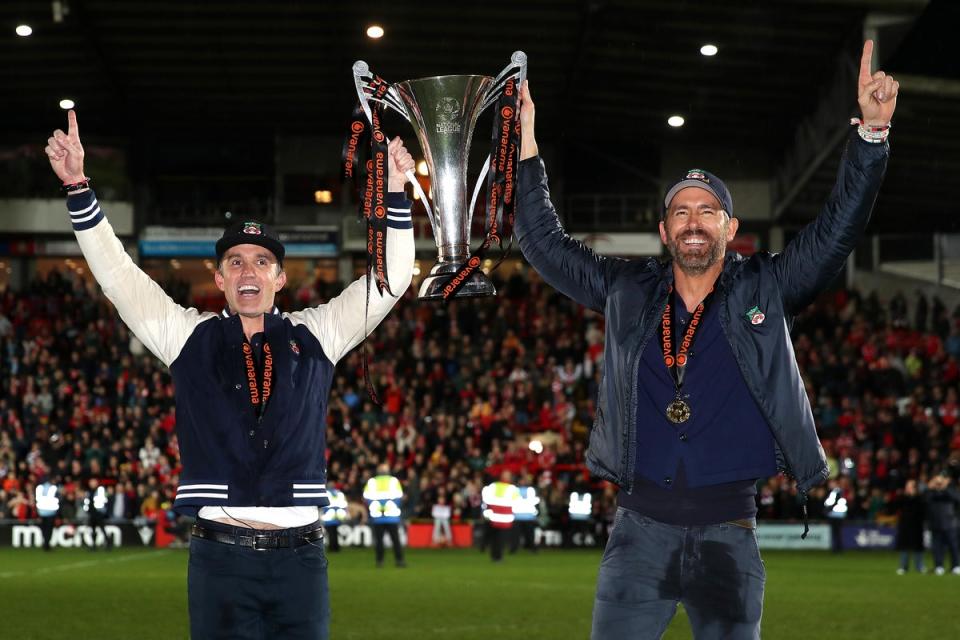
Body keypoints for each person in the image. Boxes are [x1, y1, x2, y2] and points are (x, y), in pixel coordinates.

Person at [515, 40, 897, 639]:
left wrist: (871, 139)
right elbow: (544, 243)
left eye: (709, 210)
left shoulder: (768, 287)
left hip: (730, 540)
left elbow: (835, 234)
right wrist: (527, 144)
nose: (695, 221)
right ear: (665, 230)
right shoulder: (626, 290)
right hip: (638, 536)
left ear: (731, 227)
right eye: (682, 212)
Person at [45, 111, 415, 639]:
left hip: (302, 563)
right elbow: (119, 277)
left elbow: (391, 279)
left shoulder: (319, 333)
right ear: (218, 279)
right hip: (220, 561)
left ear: (281, 278)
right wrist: (80, 187)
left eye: (262, 261)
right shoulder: (184, 336)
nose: (249, 270)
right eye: (236, 261)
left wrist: (396, 194)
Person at [363, 464, 407, 568]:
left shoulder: (372, 482)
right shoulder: (393, 481)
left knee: (379, 541)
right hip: (392, 516)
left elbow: (366, 498)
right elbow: (399, 498)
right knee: (395, 540)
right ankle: (399, 560)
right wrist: (389, 506)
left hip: (377, 516)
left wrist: (377, 507)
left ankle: (380, 561)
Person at [925, 473, 960, 575]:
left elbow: (957, 498)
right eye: (937, 481)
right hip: (936, 524)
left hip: (950, 524)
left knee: (953, 547)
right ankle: (939, 566)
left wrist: (945, 487)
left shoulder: (951, 490)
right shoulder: (932, 492)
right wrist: (930, 487)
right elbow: (926, 499)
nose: (939, 483)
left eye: (941, 481)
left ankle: (956, 566)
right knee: (937, 547)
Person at [481, 470, 519, 562]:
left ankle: (495, 556)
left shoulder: (494, 486)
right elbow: (516, 502)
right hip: (503, 518)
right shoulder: (512, 488)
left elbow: (486, 499)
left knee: (496, 539)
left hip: (496, 517)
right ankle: (497, 557)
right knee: (500, 539)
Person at [894, 479, 926, 574]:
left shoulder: (920, 498)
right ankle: (903, 567)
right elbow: (895, 506)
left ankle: (919, 566)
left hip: (917, 525)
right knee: (904, 546)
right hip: (905, 526)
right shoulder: (903, 498)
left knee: (918, 547)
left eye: (910, 486)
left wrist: (914, 496)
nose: (908, 488)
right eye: (907, 486)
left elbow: (923, 510)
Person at [511, 473, 540, 553]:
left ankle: (532, 549)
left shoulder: (531, 490)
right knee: (515, 536)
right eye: (522, 480)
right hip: (517, 516)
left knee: (530, 535)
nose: (524, 481)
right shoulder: (514, 490)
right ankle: (514, 549)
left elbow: (536, 502)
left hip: (529, 517)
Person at [83, 478, 111, 551]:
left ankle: (108, 543)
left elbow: (105, 500)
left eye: (93, 482)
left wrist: (103, 511)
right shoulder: (89, 491)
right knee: (93, 530)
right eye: (91, 482)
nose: (92, 484)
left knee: (102, 528)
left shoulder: (100, 490)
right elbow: (87, 502)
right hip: (92, 513)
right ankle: (93, 545)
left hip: (98, 513)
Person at [34, 474, 60, 551]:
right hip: (50, 512)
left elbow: (37, 500)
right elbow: (57, 500)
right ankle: (46, 544)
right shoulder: (53, 488)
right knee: (49, 529)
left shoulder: (40, 488)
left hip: (41, 512)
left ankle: (45, 543)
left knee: (44, 529)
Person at [321, 484, 348, 553]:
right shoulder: (338, 493)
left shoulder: (326, 492)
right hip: (337, 516)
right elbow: (344, 504)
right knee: (335, 532)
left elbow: (324, 505)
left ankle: (332, 548)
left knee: (331, 533)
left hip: (328, 516)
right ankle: (336, 547)